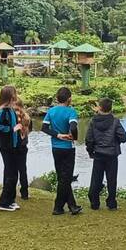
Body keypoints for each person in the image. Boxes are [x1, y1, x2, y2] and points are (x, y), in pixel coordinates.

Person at [42, 87, 81, 215]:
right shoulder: (71, 111)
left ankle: (72, 206)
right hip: (68, 148)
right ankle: (57, 207)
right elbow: (73, 127)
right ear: (69, 98)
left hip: (56, 147)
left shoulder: (51, 111)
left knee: (62, 177)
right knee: (66, 178)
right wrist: (73, 137)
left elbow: (44, 128)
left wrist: (58, 135)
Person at [85, 97, 126, 210]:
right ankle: (111, 203)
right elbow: (123, 137)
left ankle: (94, 203)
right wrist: (116, 140)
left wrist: (90, 151)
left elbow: (89, 139)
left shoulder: (93, 121)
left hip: (98, 153)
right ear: (111, 108)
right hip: (112, 154)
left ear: (99, 107)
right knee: (112, 179)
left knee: (96, 179)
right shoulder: (115, 121)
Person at [0, 86, 23, 211]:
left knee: (12, 172)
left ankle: (11, 199)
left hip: (13, 145)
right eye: (14, 93)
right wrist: (11, 129)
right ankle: (3, 203)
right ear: (10, 96)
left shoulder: (11, 110)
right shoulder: (3, 111)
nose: (16, 95)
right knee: (11, 174)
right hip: (6, 146)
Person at [14, 98, 32, 200]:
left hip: (14, 146)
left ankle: (10, 190)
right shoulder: (27, 117)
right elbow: (29, 130)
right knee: (22, 169)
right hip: (23, 146)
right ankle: (24, 193)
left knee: (12, 169)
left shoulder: (14, 117)